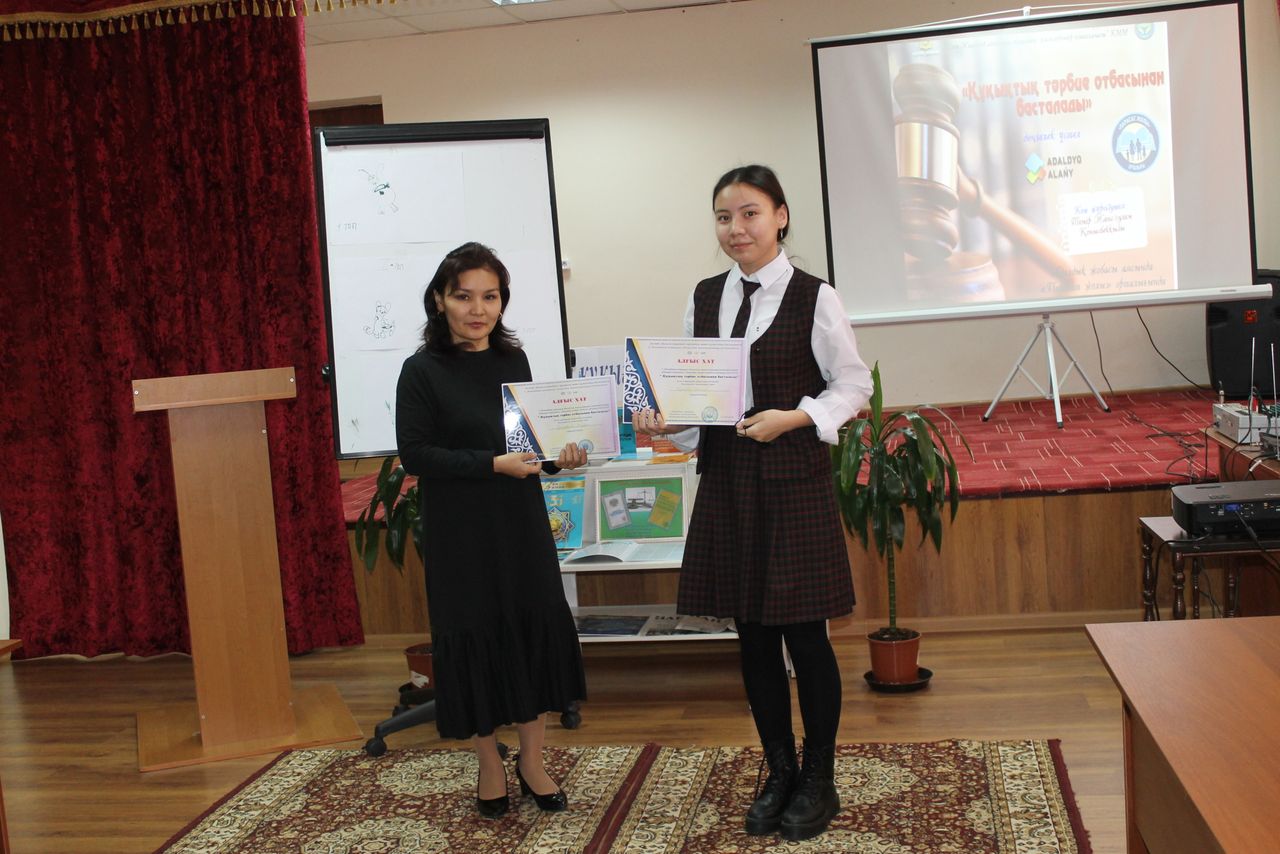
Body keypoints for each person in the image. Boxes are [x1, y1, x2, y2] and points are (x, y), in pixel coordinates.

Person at [634, 165, 872, 842]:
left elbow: (853, 386)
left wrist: (794, 417)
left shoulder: (815, 296)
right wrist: (665, 421)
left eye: (749, 213)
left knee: (806, 637)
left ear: (781, 216)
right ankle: (779, 770)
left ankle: (819, 776)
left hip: (792, 482)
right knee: (754, 637)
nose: (735, 229)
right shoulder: (704, 297)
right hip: (730, 483)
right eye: (723, 217)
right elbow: (696, 403)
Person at [395, 241, 588, 819]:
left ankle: (532, 762)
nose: (477, 309)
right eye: (463, 296)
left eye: (490, 296)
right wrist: (490, 464)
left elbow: (527, 446)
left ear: (502, 301)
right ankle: (489, 764)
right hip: (461, 531)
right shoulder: (420, 371)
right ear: (439, 300)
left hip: (519, 522)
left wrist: (559, 459)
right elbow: (417, 455)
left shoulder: (513, 363)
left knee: (530, 630)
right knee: (475, 636)